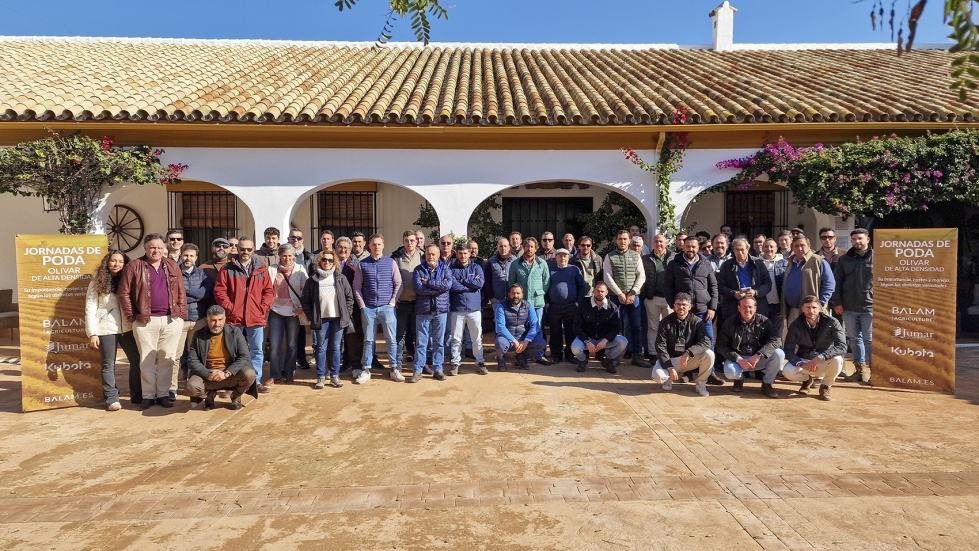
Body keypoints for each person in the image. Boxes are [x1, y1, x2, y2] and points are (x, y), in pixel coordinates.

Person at [118, 233, 188, 410]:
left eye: (159, 247)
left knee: (167, 358)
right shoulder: (134, 266)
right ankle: (148, 396)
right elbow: (124, 293)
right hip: (145, 321)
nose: (155, 250)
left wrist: (180, 313)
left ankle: (163, 394)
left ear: (164, 248)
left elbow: (181, 290)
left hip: (171, 320)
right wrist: (132, 315)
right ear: (145, 248)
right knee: (146, 360)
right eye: (152, 247)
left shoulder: (172, 265)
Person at [213, 236, 275, 393]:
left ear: (253, 250)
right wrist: (230, 308)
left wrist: (263, 307)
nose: (245, 252)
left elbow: (268, 291)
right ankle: (232, 383)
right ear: (237, 249)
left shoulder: (261, 268)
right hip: (235, 318)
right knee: (232, 352)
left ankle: (255, 381)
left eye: (248, 249)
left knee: (257, 351)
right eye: (242, 249)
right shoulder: (227, 269)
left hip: (256, 317)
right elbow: (220, 291)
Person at [85, 251, 142, 410]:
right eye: (113, 261)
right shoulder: (96, 283)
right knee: (108, 364)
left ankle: (137, 395)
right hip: (106, 328)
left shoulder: (129, 280)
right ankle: (112, 398)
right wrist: (92, 333)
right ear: (107, 262)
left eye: (120, 262)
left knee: (136, 360)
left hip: (128, 328)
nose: (116, 264)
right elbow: (90, 309)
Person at [186, 305, 258, 410]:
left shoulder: (235, 332)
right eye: (213, 320)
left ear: (225, 319)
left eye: (220, 320)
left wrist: (226, 373)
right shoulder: (198, 335)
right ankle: (208, 396)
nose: (217, 324)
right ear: (207, 319)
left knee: (250, 374)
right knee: (191, 386)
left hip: (229, 374)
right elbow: (192, 360)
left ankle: (236, 396)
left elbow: (244, 357)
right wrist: (207, 374)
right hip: (208, 374)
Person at [353, 233, 403, 384]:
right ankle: (366, 369)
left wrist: (393, 301)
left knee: (391, 340)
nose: (376, 247)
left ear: (383, 245)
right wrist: (362, 305)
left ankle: (394, 369)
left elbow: (398, 283)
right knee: (368, 340)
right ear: (369, 246)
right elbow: (356, 286)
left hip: (387, 308)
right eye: (373, 244)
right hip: (369, 308)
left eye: (379, 244)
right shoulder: (362, 264)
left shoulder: (391, 262)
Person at [301, 250, 355, 389]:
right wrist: (310, 316)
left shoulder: (340, 278)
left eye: (330, 260)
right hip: (321, 320)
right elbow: (305, 301)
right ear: (319, 261)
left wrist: (346, 314)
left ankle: (334, 375)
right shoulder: (312, 280)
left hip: (337, 319)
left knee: (336, 347)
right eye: (324, 260)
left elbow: (349, 298)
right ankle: (320, 376)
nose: (327, 263)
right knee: (321, 348)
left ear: (334, 262)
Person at [716, 296, 783, 398]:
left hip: (758, 358)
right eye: (744, 307)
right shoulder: (729, 323)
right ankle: (739, 380)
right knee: (730, 371)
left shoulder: (764, 321)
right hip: (739, 359)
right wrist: (738, 359)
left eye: (750, 307)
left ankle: (767, 384)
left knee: (779, 354)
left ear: (755, 308)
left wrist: (759, 355)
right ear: (739, 308)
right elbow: (721, 346)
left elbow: (776, 340)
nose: (747, 310)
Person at [782, 295, 847, 400]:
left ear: (820, 308)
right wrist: (802, 363)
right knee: (787, 371)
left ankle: (825, 387)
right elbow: (788, 350)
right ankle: (806, 380)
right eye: (807, 308)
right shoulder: (795, 325)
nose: (811, 311)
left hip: (824, 361)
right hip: (805, 361)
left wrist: (821, 357)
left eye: (814, 308)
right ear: (802, 308)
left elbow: (842, 346)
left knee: (837, 359)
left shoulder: (832, 322)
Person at [602, 230, 650, 367]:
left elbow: (641, 276)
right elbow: (607, 277)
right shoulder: (609, 256)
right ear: (616, 240)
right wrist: (619, 293)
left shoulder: (636, 256)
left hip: (633, 297)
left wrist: (633, 292)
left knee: (636, 326)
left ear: (629, 240)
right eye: (619, 239)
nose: (622, 241)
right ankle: (613, 356)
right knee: (614, 327)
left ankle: (637, 354)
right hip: (615, 297)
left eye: (625, 239)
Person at [407, 244, 454, 382]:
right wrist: (438, 289)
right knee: (421, 342)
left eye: (433, 254)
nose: (431, 256)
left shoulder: (445, 269)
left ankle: (438, 369)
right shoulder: (418, 269)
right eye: (428, 254)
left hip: (441, 311)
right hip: (423, 310)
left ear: (439, 255)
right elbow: (418, 289)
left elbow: (448, 286)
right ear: (425, 255)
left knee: (439, 342)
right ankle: (417, 370)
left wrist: (429, 283)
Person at [832, 228, 874, 384]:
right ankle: (860, 371)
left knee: (869, 340)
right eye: (854, 239)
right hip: (848, 307)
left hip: (870, 307)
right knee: (855, 339)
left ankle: (875, 372)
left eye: (860, 238)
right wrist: (838, 302)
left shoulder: (877, 258)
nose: (857, 241)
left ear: (867, 240)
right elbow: (837, 283)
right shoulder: (845, 259)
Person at [652, 293, 713, 396]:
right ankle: (668, 378)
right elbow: (660, 345)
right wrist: (670, 368)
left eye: (684, 304)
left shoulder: (697, 322)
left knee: (709, 354)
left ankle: (700, 384)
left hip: (688, 359)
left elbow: (706, 342)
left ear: (690, 307)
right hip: (670, 359)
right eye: (678, 304)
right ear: (674, 306)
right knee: (658, 377)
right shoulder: (665, 322)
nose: (681, 307)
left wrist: (689, 353)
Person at [267, 244, 308, 385]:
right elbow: (266, 289)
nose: (287, 258)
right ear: (279, 255)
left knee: (291, 344)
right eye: (284, 255)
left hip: (293, 312)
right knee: (275, 345)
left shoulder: (300, 269)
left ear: (294, 256)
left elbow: (306, 291)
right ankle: (275, 374)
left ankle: (290, 372)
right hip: (275, 311)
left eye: (290, 256)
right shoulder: (272, 269)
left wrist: (302, 307)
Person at [508, 237, 551, 365]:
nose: (529, 249)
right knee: (522, 329)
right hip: (521, 304)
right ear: (524, 247)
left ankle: (539, 355)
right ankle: (522, 355)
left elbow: (546, 282)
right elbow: (512, 283)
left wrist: (539, 292)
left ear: (536, 249)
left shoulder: (542, 263)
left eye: (532, 246)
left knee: (537, 328)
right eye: (527, 246)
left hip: (537, 303)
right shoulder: (515, 264)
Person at [177, 243, 212, 400]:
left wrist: (185, 293)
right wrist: (194, 296)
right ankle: (172, 388)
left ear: (196, 258)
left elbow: (204, 293)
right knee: (176, 355)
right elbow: (174, 295)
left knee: (197, 353)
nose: (188, 258)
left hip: (199, 318)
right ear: (181, 255)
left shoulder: (203, 274)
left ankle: (195, 382)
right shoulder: (174, 272)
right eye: (185, 255)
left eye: (191, 255)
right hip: (179, 319)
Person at [570, 281, 627, 373]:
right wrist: (587, 341)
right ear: (593, 291)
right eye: (597, 291)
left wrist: (606, 340)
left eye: (602, 291)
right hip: (588, 339)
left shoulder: (613, 307)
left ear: (606, 292)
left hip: (604, 339)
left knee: (623, 341)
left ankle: (608, 360)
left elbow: (616, 327)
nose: (599, 293)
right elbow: (576, 326)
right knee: (575, 347)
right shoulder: (584, 306)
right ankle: (582, 360)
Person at [781, 236, 836, 328]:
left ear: (809, 246)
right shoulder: (791, 262)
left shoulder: (818, 261)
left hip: (812, 312)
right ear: (792, 247)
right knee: (794, 340)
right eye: (796, 246)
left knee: (812, 340)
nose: (799, 248)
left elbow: (829, 284)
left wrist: (820, 304)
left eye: (802, 245)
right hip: (792, 311)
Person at [449, 243, 486, 374]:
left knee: (476, 338)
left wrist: (462, 281)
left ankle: (480, 361)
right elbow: (452, 286)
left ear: (470, 254)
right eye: (460, 253)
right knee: (456, 338)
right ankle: (455, 362)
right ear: (457, 254)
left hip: (474, 308)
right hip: (457, 308)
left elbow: (480, 283)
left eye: (465, 253)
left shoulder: (477, 267)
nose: (463, 256)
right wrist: (470, 285)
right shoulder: (451, 269)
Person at [716, 238, 772, 323]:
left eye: (742, 249)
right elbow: (720, 286)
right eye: (737, 250)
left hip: (757, 306)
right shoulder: (727, 265)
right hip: (733, 307)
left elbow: (768, 284)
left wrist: (755, 292)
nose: (740, 252)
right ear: (733, 251)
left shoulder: (758, 263)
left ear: (748, 249)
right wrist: (733, 293)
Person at [547, 248, 586, 364]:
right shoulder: (550, 270)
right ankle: (556, 355)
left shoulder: (574, 270)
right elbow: (545, 287)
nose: (562, 258)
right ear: (556, 258)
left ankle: (570, 355)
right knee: (555, 332)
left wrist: (578, 301)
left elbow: (582, 286)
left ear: (568, 258)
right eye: (560, 256)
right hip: (554, 306)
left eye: (565, 256)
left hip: (571, 306)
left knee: (571, 332)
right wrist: (547, 302)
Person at [494, 284, 546, 370]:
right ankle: (501, 360)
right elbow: (500, 327)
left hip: (523, 337)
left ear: (522, 295)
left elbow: (535, 325)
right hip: (507, 339)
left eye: (518, 293)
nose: (515, 296)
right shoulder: (501, 306)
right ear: (508, 294)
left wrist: (526, 341)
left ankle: (521, 358)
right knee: (500, 343)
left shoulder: (528, 306)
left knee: (541, 343)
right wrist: (514, 341)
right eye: (513, 293)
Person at [392, 230, 422, 368]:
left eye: (412, 240)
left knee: (419, 335)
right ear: (403, 242)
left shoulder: (423, 256)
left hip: (419, 302)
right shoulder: (396, 257)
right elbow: (390, 279)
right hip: (402, 302)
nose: (409, 243)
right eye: (406, 240)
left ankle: (420, 363)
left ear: (416, 241)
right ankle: (397, 364)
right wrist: (393, 298)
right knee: (400, 335)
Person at [285, 228, 313, 371]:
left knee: (301, 331)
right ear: (288, 239)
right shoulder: (283, 254)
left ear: (302, 240)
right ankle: (287, 362)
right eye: (293, 237)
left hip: (302, 300)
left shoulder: (308, 257)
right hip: (284, 301)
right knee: (287, 334)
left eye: (298, 238)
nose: (296, 240)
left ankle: (301, 358)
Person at [336, 237, 364, 371]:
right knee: (335, 337)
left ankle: (355, 364)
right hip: (332, 306)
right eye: (340, 247)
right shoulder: (329, 262)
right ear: (336, 249)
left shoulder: (356, 264)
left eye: (346, 248)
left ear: (350, 249)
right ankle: (338, 365)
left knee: (352, 336)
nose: (343, 250)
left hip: (351, 306)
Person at [759, 238, 788, 329]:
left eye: (771, 246)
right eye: (766, 247)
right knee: (762, 333)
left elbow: (787, 286)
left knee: (776, 334)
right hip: (762, 305)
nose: (769, 249)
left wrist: (784, 307)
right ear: (762, 249)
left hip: (778, 306)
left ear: (776, 249)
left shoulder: (785, 264)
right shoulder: (756, 264)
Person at [486, 237, 516, 305]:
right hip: (497, 300)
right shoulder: (491, 262)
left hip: (512, 300)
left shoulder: (515, 261)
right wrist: (491, 298)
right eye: (501, 246)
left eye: (505, 246)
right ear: (497, 248)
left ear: (509, 247)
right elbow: (487, 282)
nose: (503, 248)